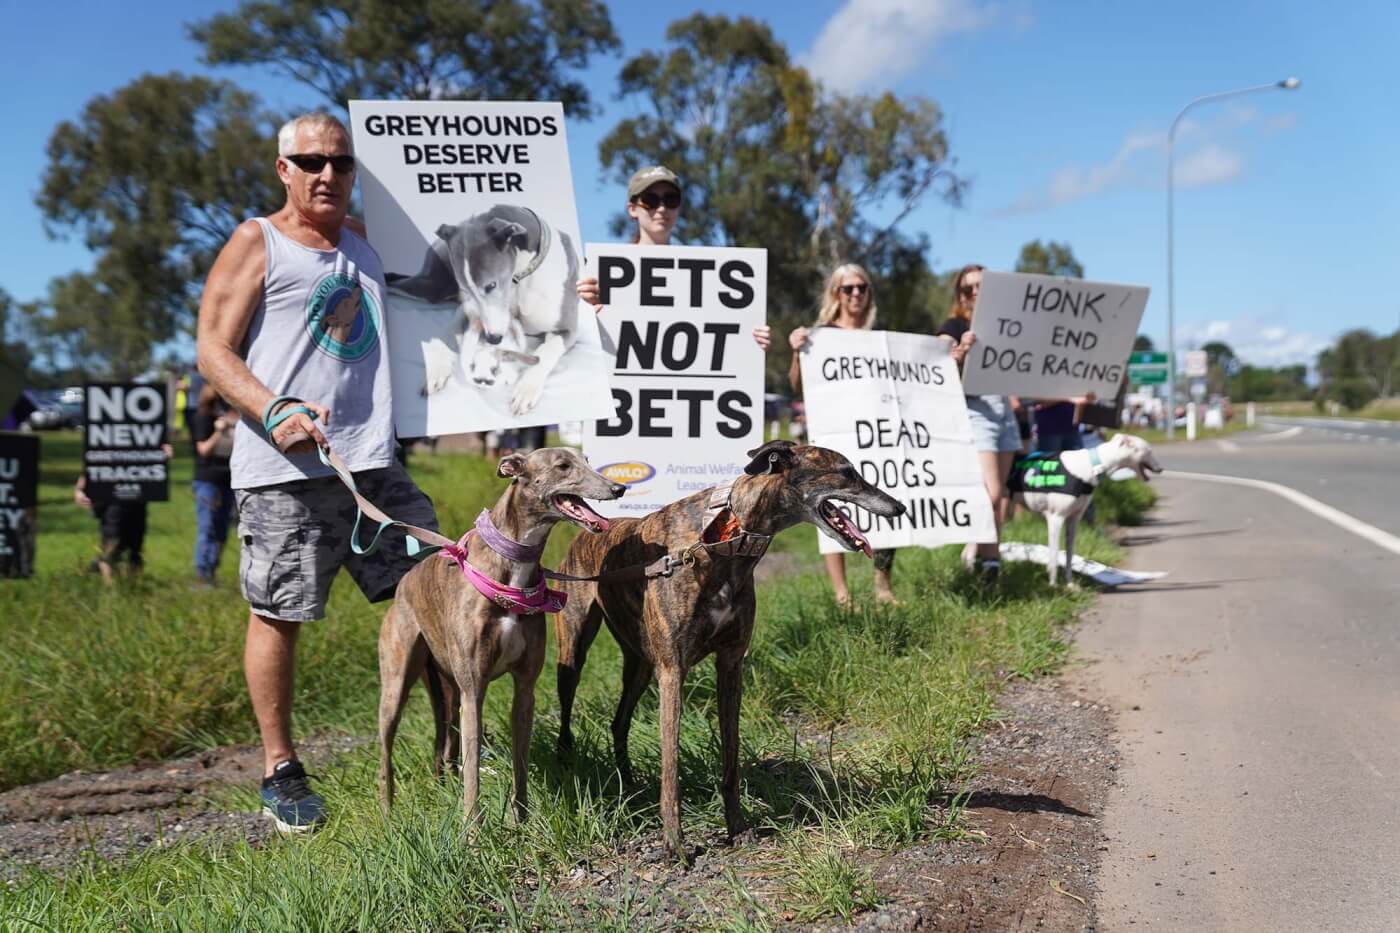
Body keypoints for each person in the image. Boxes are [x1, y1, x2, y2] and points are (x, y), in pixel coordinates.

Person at [196, 111, 439, 835]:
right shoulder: (257, 239)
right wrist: (272, 410)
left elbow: (454, 298)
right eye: (310, 162)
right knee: (280, 612)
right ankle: (281, 767)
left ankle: (455, 743)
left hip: (373, 465)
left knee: (438, 588)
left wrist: (568, 295)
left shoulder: (367, 247)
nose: (326, 173)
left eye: (339, 162)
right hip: (284, 471)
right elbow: (212, 349)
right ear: (284, 170)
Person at [787, 263, 897, 607]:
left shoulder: (881, 341)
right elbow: (797, 384)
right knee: (831, 508)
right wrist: (795, 350)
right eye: (847, 288)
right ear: (835, 293)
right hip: (835, 436)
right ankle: (842, 594)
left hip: (876, 436)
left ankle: (883, 585)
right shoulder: (820, 337)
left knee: (884, 502)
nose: (856, 295)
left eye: (862, 287)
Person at [576, 166, 771, 350]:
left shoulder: (707, 277)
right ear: (632, 209)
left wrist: (750, 340)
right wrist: (583, 309)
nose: (661, 208)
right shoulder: (598, 273)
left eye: (670, 200)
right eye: (650, 200)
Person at [938, 264, 1020, 582]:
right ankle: (990, 562)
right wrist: (958, 352)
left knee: (1000, 497)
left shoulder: (1005, 325)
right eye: (968, 288)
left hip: (1004, 410)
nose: (975, 292)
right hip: (975, 408)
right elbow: (936, 354)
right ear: (960, 294)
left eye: (981, 286)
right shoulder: (955, 323)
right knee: (991, 492)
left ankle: (983, 553)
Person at [190, 383, 235, 585]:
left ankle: (212, 571)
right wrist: (219, 432)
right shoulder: (203, 418)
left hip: (229, 480)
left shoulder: (231, 418)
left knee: (222, 529)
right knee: (208, 527)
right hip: (208, 481)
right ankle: (202, 574)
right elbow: (203, 450)